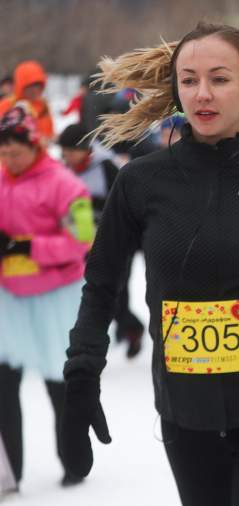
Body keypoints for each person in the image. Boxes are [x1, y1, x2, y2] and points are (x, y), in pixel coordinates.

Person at [61, 22, 239, 506]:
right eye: (189, 80)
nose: (202, 94)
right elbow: (102, 283)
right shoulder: (141, 183)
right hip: (183, 409)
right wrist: (82, 375)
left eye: (220, 78)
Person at [0, 106, 95, 489]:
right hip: (9, 299)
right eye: (2, 153)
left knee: (61, 382)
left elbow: (82, 238)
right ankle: (9, 473)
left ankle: (74, 461)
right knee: (4, 386)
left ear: (34, 146)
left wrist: (26, 247)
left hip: (56, 297)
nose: (9, 160)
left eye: (15, 153)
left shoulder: (66, 185)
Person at [58, 123, 146, 359]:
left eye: (71, 152)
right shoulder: (63, 171)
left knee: (117, 292)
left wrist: (94, 206)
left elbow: (124, 203)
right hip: (81, 244)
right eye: (64, 153)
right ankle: (127, 329)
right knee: (95, 292)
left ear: (85, 149)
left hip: (116, 241)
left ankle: (131, 330)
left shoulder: (106, 167)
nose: (67, 158)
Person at [0, 61, 54, 143]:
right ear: (20, 85)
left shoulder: (43, 106)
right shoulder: (7, 104)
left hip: (39, 153)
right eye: (31, 87)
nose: (35, 90)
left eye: (39, 86)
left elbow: (49, 133)